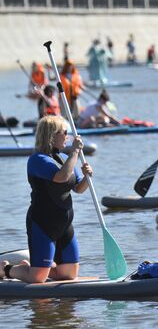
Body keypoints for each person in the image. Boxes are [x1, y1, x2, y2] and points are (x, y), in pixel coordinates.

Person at [0, 116, 92, 283]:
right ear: (51, 135)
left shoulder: (63, 159)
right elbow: (61, 177)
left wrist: (86, 177)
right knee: (37, 279)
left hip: (64, 224)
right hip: (43, 223)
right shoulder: (37, 160)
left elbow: (79, 189)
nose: (67, 136)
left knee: (69, 274)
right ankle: (6, 269)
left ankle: (32, 267)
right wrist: (75, 152)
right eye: (64, 132)